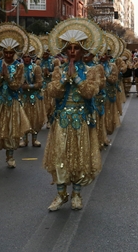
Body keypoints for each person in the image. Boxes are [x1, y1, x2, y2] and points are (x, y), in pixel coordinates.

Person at [43, 18, 103, 211]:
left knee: (79, 156)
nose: (72, 52)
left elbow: (90, 92)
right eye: (69, 49)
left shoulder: (91, 71)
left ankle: (77, 193)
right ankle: (61, 194)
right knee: (60, 155)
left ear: (83, 51)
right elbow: (52, 92)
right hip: (62, 119)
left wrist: (76, 78)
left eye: (76, 49)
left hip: (81, 119)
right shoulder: (58, 70)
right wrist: (63, 80)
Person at [0, 23, 31, 168]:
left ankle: (10, 157)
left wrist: (8, 78)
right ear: (2, 51)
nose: (9, 55)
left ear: (15, 52)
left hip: (12, 102)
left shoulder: (19, 66)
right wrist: (0, 77)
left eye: (11, 53)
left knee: (11, 129)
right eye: (6, 52)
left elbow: (18, 85)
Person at [20, 35, 46, 148]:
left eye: (28, 56)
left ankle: (34, 139)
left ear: (32, 57)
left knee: (34, 119)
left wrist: (29, 86)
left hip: (33, 97)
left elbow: (40, 83)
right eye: (24, 56)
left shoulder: (36, 68)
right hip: (23, 97)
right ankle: (24, 139)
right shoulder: (18, 67)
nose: (26, 58)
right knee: (24, 118)